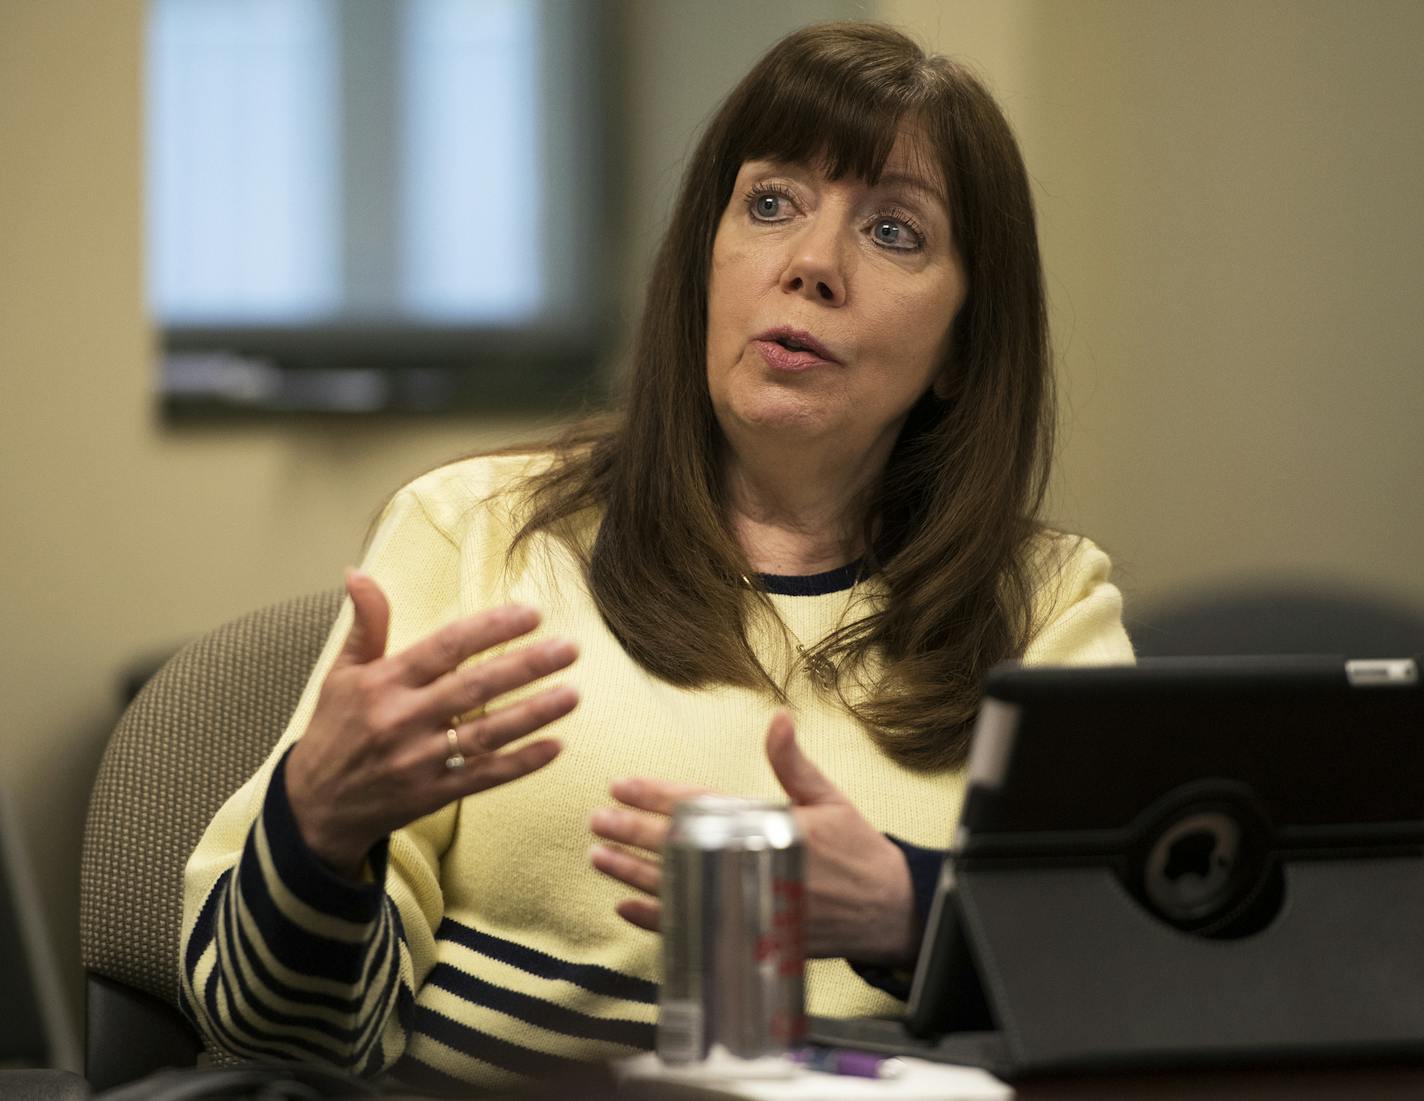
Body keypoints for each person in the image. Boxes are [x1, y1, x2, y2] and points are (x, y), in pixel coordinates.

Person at [179, 21, 1132, 1096]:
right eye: (769, 203)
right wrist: (318, 827)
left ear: (963, 344)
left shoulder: (1046, 606)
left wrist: (909, 911)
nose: (810, 265)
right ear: (702, 263)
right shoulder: (477, 533)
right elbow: (267, 1034)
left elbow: (1137, 989)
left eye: (893, 232)